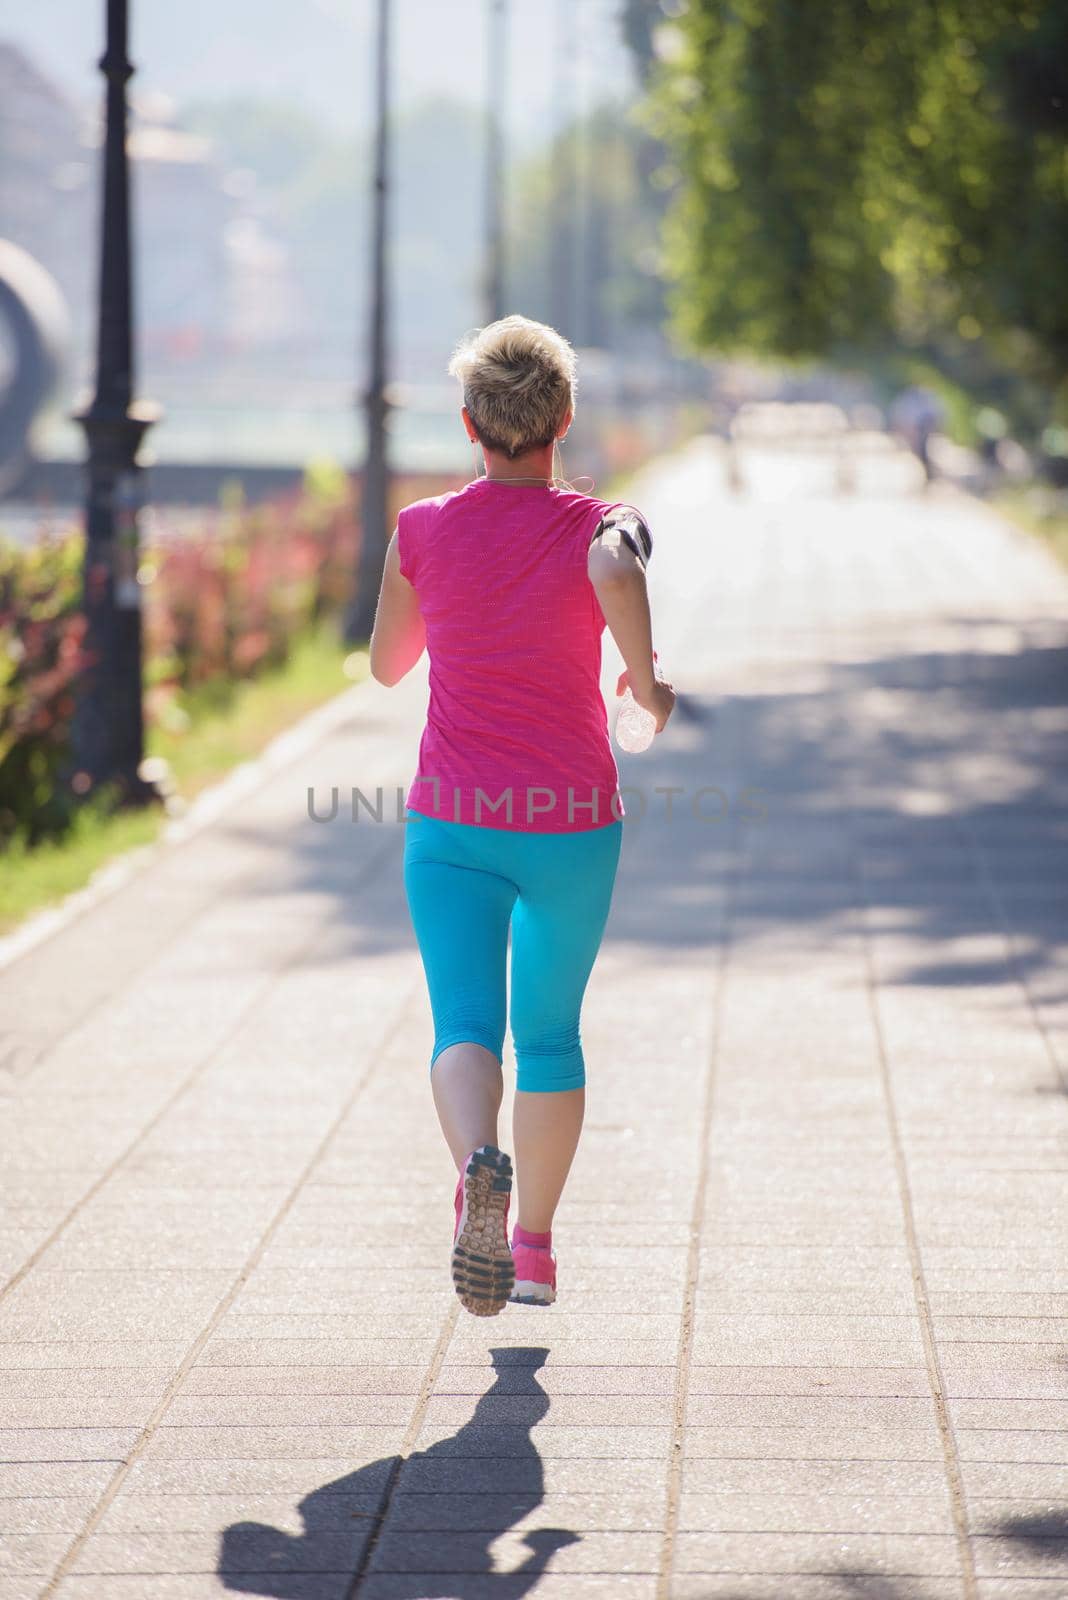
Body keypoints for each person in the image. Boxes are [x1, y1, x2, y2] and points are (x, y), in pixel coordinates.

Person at [367, 314, 676, 1317]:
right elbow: (621, 570)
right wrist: (649, 685)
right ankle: (533, 1247)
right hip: (573, 822)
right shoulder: (601, 525)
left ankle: (475, 1172)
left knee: (464, 1023)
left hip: (452, 821)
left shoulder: (423, 529)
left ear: (469, 423)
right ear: (566, 419)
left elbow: (387, 666)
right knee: (549, 1035)